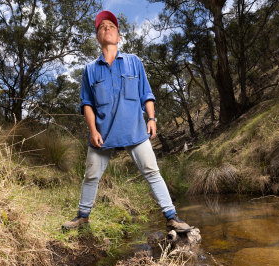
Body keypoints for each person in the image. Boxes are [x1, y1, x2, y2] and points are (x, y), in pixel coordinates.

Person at [62, 10, 191, 233]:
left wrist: (151, 118)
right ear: (97, 37)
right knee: (91, 175)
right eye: (102, 27)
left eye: (111, 26)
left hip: (135, 131)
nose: (107, 28)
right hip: (103, 134)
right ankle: (82, 217)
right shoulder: (90, 70)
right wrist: (93, 130)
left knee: (152, 171)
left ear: (119, 36)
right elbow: (87, 105)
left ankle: (171, 216)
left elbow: (146, 94)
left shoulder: (134, 62)